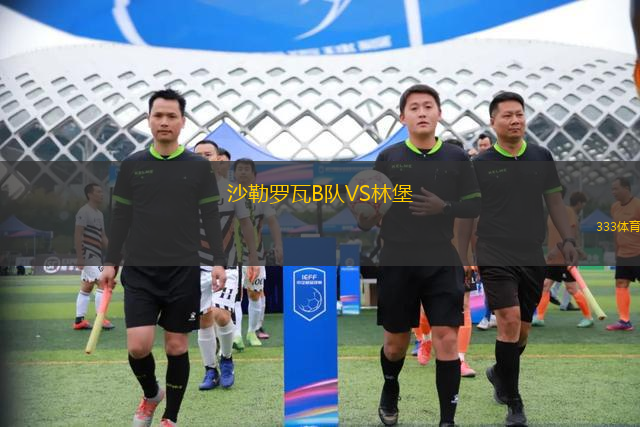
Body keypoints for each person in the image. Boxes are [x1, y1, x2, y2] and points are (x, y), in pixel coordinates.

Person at [100, 89, 227, 427]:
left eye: (172, 116)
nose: (165, 121)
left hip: (183, 270)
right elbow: (120, 217)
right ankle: (152, 393)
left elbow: (210, 216)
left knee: (176, 347)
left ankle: (170, 418)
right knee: (138, 347)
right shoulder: (132, 165)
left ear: (183, 122)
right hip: (140, 270)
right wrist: (110, 262)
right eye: (158, 115)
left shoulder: (198, 167)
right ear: (148, 120)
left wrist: (218, 260)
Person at [358, 84, 481, 427]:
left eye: (428, 106)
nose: (422, 112)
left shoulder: (456, 157)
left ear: (439, 113)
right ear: (403, 117)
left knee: (447, 339)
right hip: (397, 259)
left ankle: (447, 421)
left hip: (442, 258)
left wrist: (445, 207)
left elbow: (474, 204)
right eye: (414, 108)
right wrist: (365, 213)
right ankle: (390, 387)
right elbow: (369, 211)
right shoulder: (389, 157)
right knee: (395, 345)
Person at [472, 91, 578, 426]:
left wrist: (568, 239)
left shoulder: (541, 156)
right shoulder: (480, 165)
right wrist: (468, 253)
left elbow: (555, 202)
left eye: (520, 114)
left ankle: (498, 372)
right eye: (508, 115)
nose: (515, 120)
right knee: (508, 319)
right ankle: (514, 403)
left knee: (522, 333)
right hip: (494, 251)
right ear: (493, 121)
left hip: (531, 252)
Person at [193, 141, 259, 390]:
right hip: (196, 265)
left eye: (208, 154)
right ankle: (210, 370)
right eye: (198, 155)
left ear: (219, 159)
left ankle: (227, 359)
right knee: (204, 318)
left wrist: (254, 258)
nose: (203, 159)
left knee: (221, 314)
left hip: (228, 263)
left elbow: (246, 225)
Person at [232, 158, 283, 348]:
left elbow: (273, 223)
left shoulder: (261, 197)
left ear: (254, 175)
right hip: (231, 253)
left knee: (254, 293)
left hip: (255, 254)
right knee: (235, 294)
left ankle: (252, 332)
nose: (243, 172)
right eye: (239, 169)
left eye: (247, 169)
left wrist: (278, 246)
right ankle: (236, 335)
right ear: (234, 174)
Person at [533, 191, 593, 328]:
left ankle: (588, 317)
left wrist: (562, 249)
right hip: (554, 260)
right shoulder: (551, 214)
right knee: (545, 286)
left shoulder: (568, 212)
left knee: (572, 288)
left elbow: (570, 235)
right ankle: (539, 317)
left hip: (566, 258)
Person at [73, 183, 113, 330]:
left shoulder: (99, 214)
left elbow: (102, 236)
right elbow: (78, 234)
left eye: (102, 192)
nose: (101, 194)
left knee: (87, 287)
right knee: (103, 283)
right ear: (90, 194)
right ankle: (100, 319)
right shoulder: (84, 211)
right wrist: (80, 257)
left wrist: (113, 252)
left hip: (96, 255)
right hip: (88, 255)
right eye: (98, 192)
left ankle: (79, 321)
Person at [606, 177, 640, 331]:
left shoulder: (638, 205)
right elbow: (616, 230)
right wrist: (616, 250)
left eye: (616, 189)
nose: (613, 192)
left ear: (626, 188)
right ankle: (624, 321)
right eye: (612, 189)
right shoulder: (614, 207)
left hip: (638, 253)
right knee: (621, 283)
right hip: (623, 255)